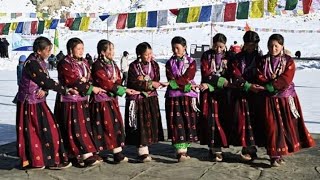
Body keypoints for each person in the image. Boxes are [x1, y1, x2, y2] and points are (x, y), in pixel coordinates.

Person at [256, 34, 315, 167]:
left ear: (282, 46)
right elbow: (259, 75)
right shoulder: (263, 61)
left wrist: (272, 86)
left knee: (284, 126)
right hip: (269, 99)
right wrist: (268, 86)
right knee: (272, 126)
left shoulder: (288, 61)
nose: (273, 48)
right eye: (270, 46)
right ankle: (274, 155)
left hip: (285, 99)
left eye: (276, 45)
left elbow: (287, 77)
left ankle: (281, 153)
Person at [16, 36, 73, 170]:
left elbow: (44, 82)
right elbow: (44, 80)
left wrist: (45, 90)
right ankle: (40, 160)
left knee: (49, 129)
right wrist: (64, 90)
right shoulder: (32, 63)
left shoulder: (40, 61)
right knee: (36, 133)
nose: (49, 53)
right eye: (47, 50)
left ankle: (47, 159)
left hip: (38, 102)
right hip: (30, 103)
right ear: (39, 51)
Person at [55, 37, 105, 167]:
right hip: (69, 101)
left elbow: (89, 78)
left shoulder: (84, 62)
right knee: (73, 127)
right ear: (71, 49)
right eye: (78, 49)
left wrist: (91, 85)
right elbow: (71, 81)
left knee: (84, 126)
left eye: (82, 48)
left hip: (82, 100)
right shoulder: (64, 63)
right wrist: (91, 88)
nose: (81, 51)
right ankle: (82, 154)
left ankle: (86, 151)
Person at [90, 40, 139, 163]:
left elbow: (118, 78)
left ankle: (117, 152)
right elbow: (103, 81)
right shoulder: (97, 65)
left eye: (113, 49)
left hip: (112, 99)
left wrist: (119, 87)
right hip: (100, 102)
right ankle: (96, 152)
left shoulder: (113, 64)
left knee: (115, 125)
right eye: (110, 50)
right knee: (100, 126)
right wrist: (120, 90)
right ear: (102, 52)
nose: (112, 52)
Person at [227, 31, 265, 161]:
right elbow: (234, 74)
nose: (251, 47)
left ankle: (253, 149)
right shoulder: (237, 58)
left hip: (256, 96)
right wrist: (247, 85)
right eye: (248, 44)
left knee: (255, 122)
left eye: (253, 44)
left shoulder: (261, 58)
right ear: (244, 44)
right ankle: (246, 149)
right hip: (241, 94)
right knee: (243, 122)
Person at [125, 42, 165, 162]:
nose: (149, 56)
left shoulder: (155, 65)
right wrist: (149, 83)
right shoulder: (133, 66)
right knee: (140, 125)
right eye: (146, 54)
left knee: (149, 123)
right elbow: (133, 83)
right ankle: (142, 151)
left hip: (151, 99)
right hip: (138, 100)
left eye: (150, 53)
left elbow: (156, 81)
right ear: (139, 55)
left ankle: (148, 146)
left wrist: (147, 82)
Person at [165, 36, 199, 162]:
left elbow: (189, 76)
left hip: (187, 97)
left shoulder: (191, 62)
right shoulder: (169, 63)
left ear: (184, 47)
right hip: (174, 98)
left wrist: (177, 85)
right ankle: (180, 152)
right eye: (173, 48)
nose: (175, 50)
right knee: (176, 122)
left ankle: (185, 149)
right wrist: (183, 86)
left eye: (177, 48)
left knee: (187, 121)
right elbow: (170, 78)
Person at [198, 33, 230, 162]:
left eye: (221, 47)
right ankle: (215, 148)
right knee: (211, 121)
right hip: (209, 94)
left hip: (224, 95)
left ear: (225, 45)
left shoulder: (229, 56)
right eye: (216, 46)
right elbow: (207, 74)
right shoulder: (207, 56)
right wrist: (222, 81)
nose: (218, 50)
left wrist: (223, 83)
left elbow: (231, 73)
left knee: (222, 120)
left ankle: (220, 147)